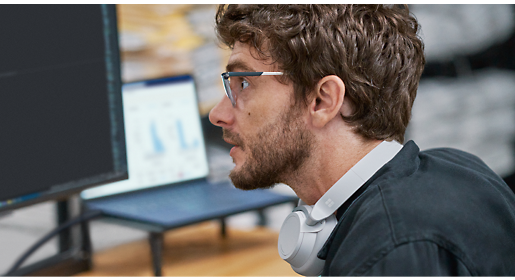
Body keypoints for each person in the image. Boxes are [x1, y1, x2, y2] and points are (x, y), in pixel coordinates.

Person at [209, 4, 515, 277]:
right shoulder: (458, 167)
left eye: (244, 82)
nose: (217, 114)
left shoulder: (390, 250)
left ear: (322, 100)